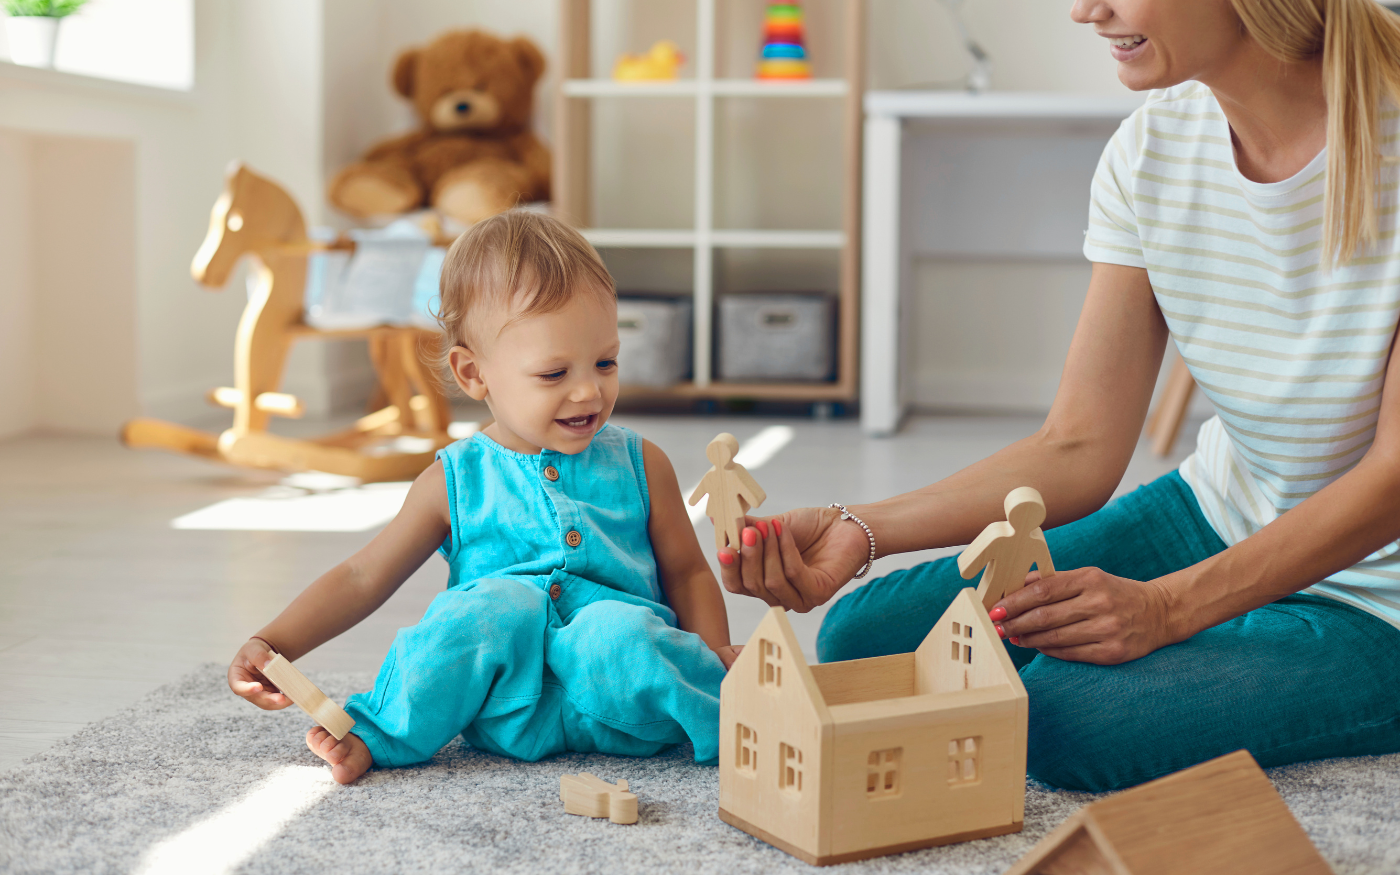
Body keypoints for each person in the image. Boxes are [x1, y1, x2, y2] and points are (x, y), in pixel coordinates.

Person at [720, 0, 1400, 792]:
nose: (1086, 10)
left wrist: (1169, 609)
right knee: (866, 638)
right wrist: (861, 527)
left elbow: (1392, 479)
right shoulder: (1152, 149)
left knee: (1060, 716)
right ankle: (1244, 628)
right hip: (1220, 514)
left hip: (1379, 598)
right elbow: (1077, 445)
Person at [226, 210, 737, 784]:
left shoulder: (643, 464)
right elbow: (362, 576)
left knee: (617, 630)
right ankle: (380, 734)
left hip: (627, 701)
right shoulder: (453, 480)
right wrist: (275, 643)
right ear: (473, 374)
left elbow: (687, 572)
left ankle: (733, 717)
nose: (588, 390)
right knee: (486, 611)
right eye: (553, 374)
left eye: (605, 362)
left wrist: (712, 655)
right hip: (504, 708)